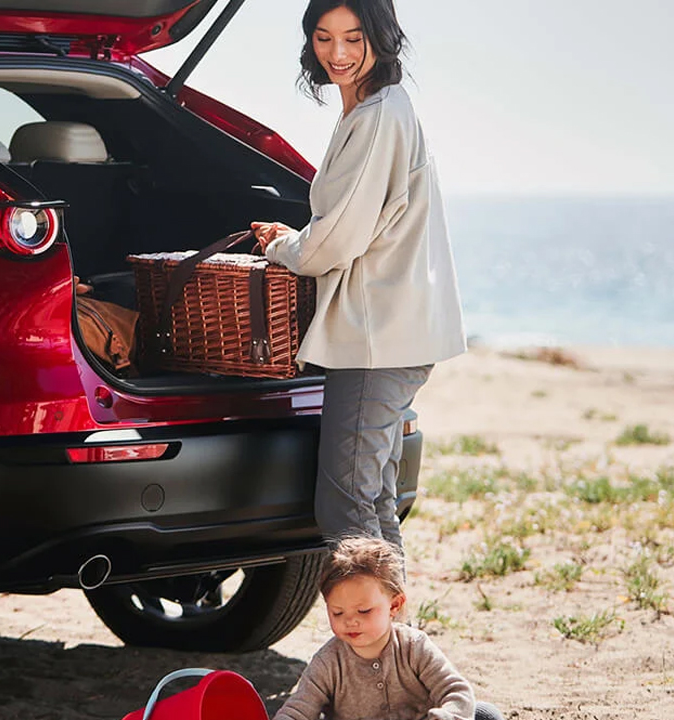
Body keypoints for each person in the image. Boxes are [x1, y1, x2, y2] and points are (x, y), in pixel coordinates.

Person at [252, 0, 467, 552]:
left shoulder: (375, 118)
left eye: (353, 37)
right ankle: (391, 638)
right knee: (373, 502)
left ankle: (371, 640)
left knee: (346, 506)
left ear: (380, 35)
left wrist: (283, 247)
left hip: (378, 338)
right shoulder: (381, 107)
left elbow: (339, 237)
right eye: (324, 38)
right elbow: (357, 220)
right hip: (394, 329)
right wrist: (299, 239)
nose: (338, 54)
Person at [273, 536, 504, 720]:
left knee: (486, 714)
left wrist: (446, 715)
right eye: (337, 612)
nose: (350, 621)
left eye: (363, 611)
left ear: (394, 605)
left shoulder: (414, 646)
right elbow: (298, 710)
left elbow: (456, 691)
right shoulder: (328, 662)